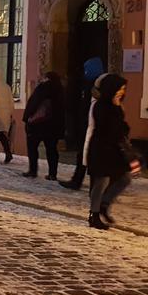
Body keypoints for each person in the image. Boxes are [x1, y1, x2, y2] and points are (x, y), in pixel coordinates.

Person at [86, 73, 140, 230]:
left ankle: (104, 204)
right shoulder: (100, 105)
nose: (121, 92)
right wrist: (117, 113)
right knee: (101, 181)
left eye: (123, 89)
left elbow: (122, 128)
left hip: (115, 149)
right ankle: (94, 214)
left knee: (124, 178)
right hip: (101, 148)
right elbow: (109, 127)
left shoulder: (116, 106)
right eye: (119, 88)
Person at [60, 57, 105, 190]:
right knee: (84, 154)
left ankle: (89, 184)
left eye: (87, 69)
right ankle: (78, 180)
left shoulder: (98, 86)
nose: (85, 72)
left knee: (91, 156)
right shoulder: (89, 84)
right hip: (87, 125)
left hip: (93, 127)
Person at [22, 72, 66, 180]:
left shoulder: (43, 87)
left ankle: (33, 170)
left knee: (32, 148)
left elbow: (33, 103)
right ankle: (52, 174)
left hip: (38, 124)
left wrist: (27, 117)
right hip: (53, 126)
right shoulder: (61, 90)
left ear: (46, 78)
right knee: (52, 150)